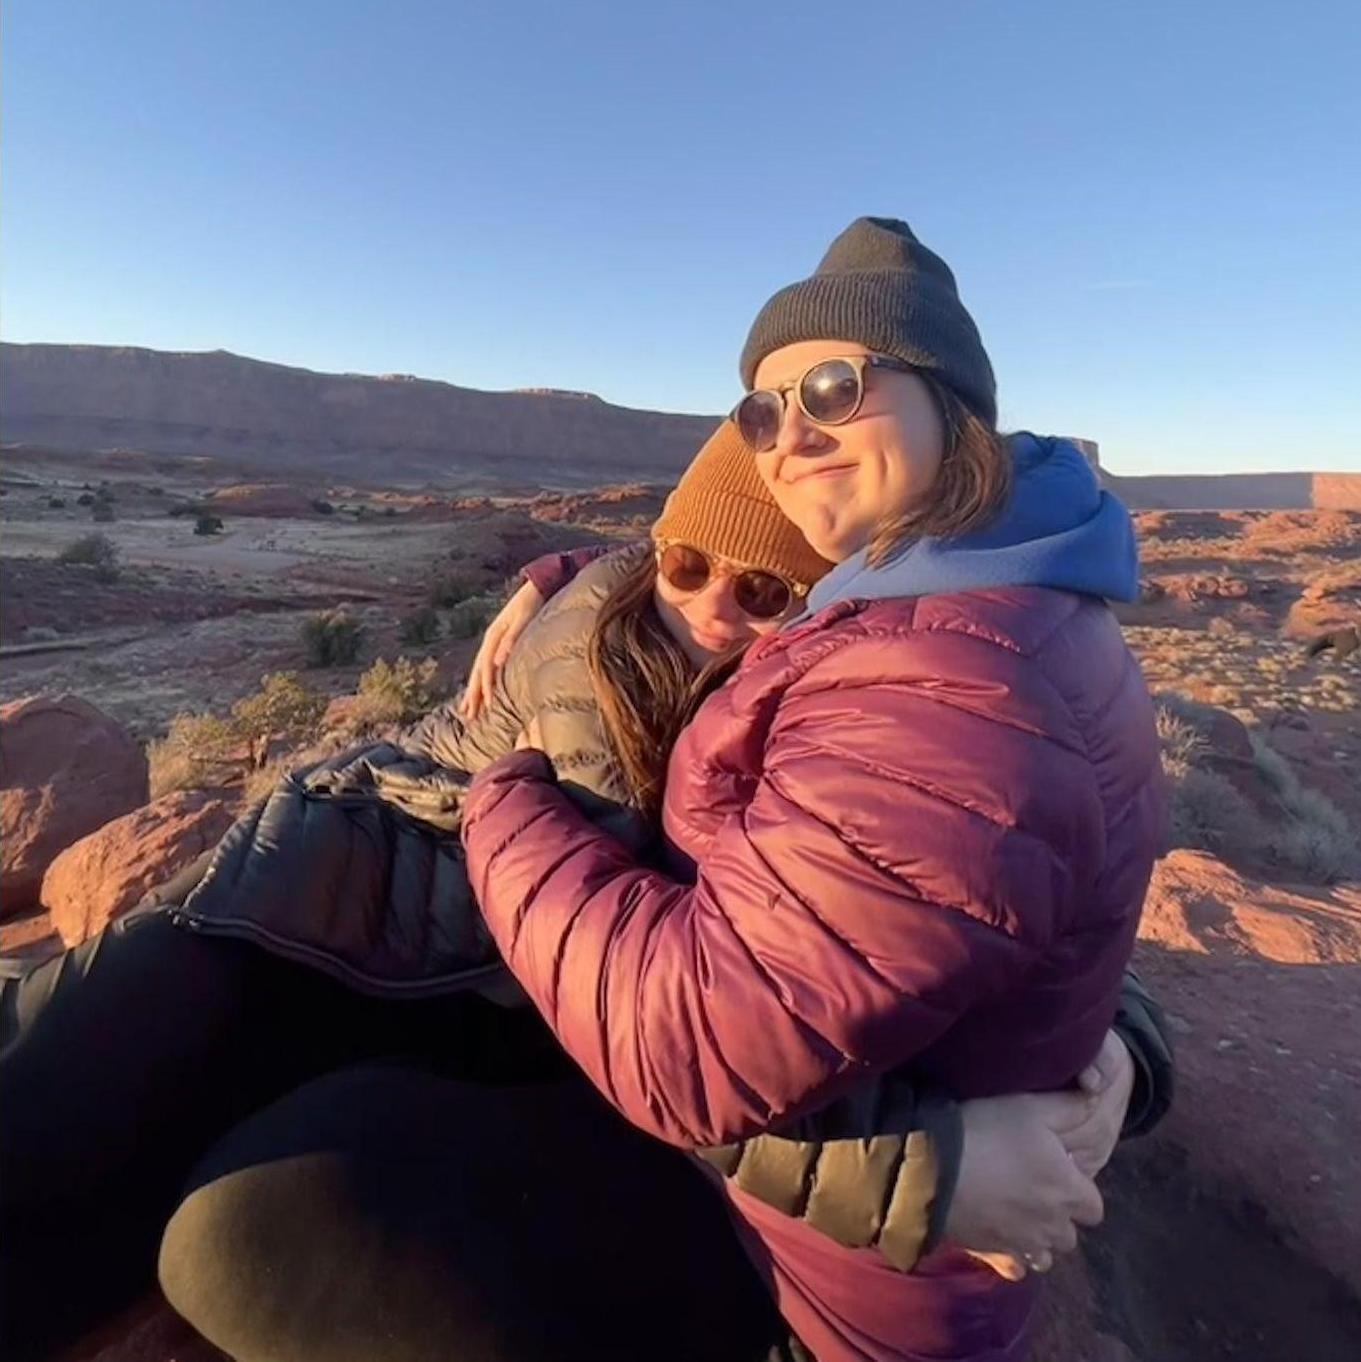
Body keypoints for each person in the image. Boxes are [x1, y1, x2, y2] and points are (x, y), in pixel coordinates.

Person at [1, 429, 1166, 1361]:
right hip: (345, 914)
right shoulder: (596, 668)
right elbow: (687, 1019)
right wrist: (924, 1168)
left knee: (243, 1216)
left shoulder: (866, 717)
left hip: (476, 996)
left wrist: (1117, 1047)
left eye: (766, 590)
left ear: (832, 612)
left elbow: (964, 890)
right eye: (685, 562)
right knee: (62, 1114)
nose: (706, 603)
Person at [455, 217, 1167, 1362]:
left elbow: (687, 1044)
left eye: (834, 387)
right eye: (761, 411)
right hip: (827, 1237)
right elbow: (986, 897)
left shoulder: (951, 671)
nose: (789, 436)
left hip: (816, 1293)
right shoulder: (970, 603)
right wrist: (552, 578)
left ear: (950, 403)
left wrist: (499, 804)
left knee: (298, 1210)